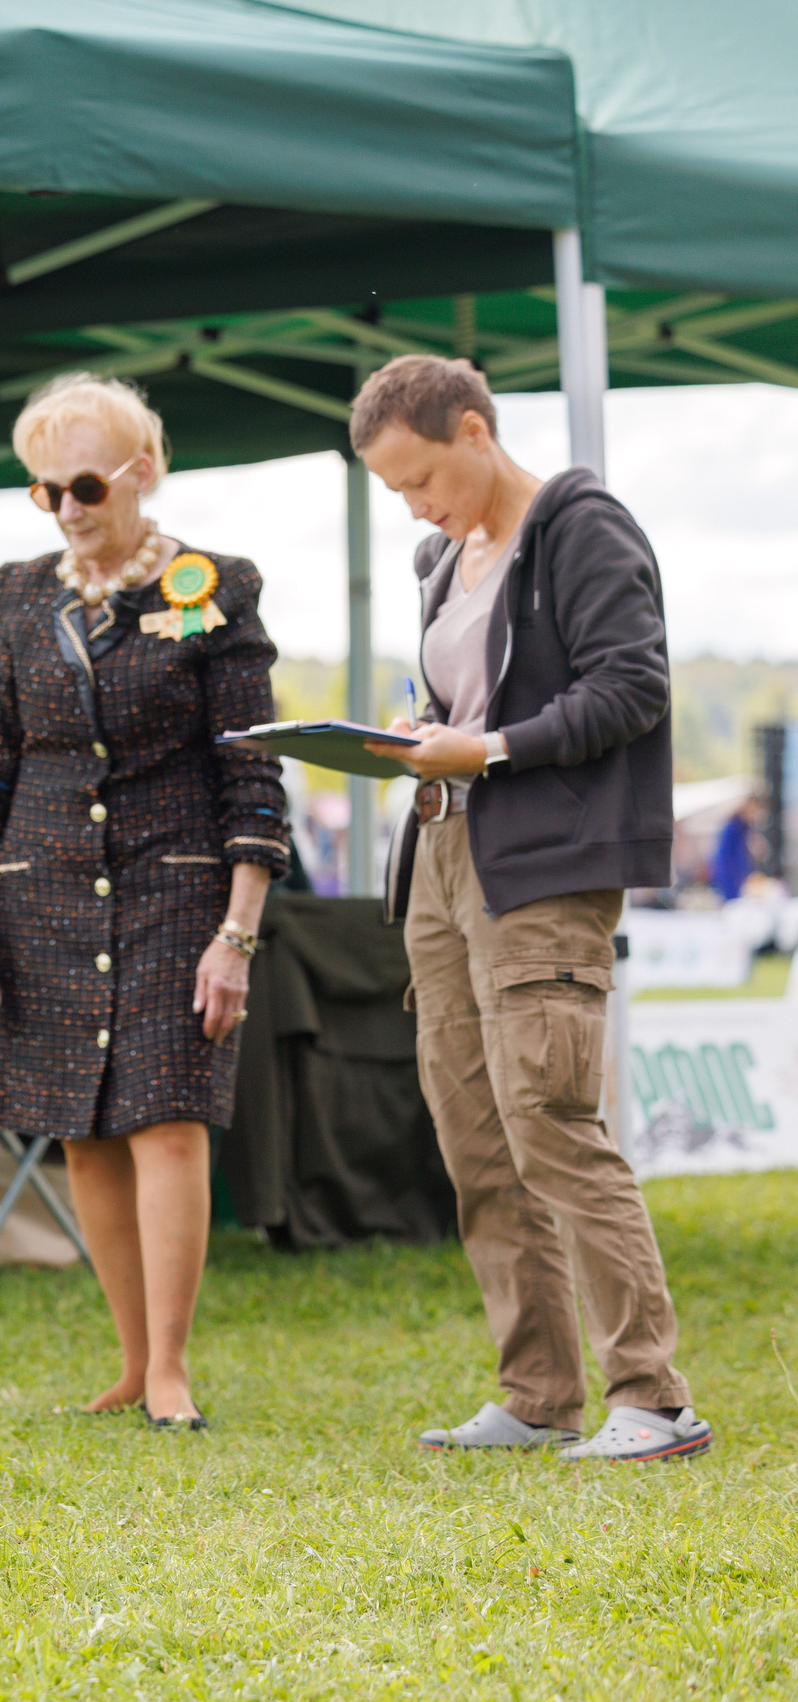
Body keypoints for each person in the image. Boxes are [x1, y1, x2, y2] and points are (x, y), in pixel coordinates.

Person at [354, 354, 711, 1463]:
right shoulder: (437, 556)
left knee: (550, 1122)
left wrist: (490, 746)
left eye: (420, 478)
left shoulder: (581, 525)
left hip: (543, 864)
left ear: (473, 430)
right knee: (472, 1134)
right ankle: (537, 1391)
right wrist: (420, 740)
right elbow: (465, 696)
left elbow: (631, 687)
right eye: (395, 493)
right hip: (444, 851)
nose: (414, 507)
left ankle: (653, 1398)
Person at [0, 373, 289, 1430]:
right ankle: (133, 1362)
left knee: (167, 1121)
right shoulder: (18, 595)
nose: (64, 507)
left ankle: (176, 1366)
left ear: (143, 471)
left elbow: (253, 779)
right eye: (42, 490)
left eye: (83, 483)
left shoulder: (215, 588)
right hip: (37, 893)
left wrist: (237, 932)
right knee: (82, 1131)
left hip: (176, 892)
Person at [709, 796, 763, 901]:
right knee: (732, 900)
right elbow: (727, 856)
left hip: (736, 869)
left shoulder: (743, 826)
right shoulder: (734, 826)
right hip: (730, 870)